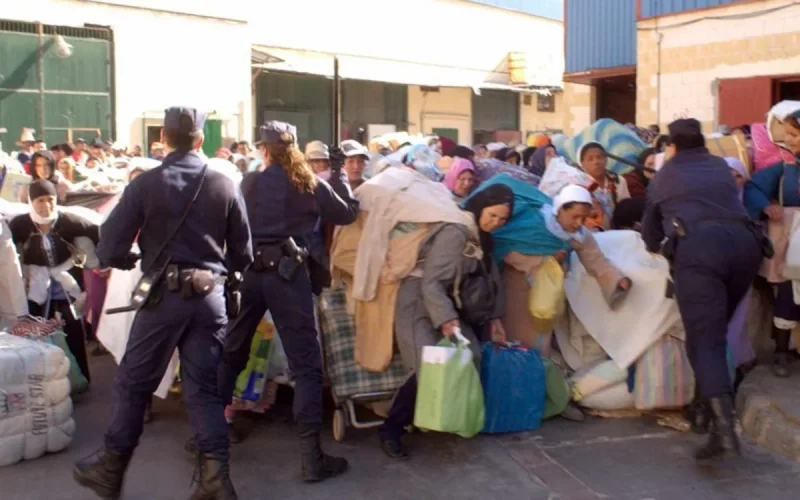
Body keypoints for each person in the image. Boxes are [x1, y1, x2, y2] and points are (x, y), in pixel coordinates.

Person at [73, 106, 253, 500]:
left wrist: (126, 259)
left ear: (165, 140)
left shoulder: (146, 184)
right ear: (200, 139)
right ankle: (215, 480)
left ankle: (111, 468)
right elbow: (243, 254)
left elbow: (110, 244)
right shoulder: (224, 184)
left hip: (163, 297)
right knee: (203, 391)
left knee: (134, 384)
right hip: (210, 299)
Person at [218, 121, 359, 483]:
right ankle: (311, 458)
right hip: (288, 275)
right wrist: (339, 172)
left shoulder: (249, 181)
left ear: (264, 149)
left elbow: (230, 227)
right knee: (307, 366)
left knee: (233, 351)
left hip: (251, 273)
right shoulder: (309, 182)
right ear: (294, 148)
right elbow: (347, 213)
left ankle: (208, 437)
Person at [642, 118, 763, 460]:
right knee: (713, 333)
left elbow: (650, 237)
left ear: (673, 146)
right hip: (747, 246)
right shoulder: (720, 167)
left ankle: (724, 432)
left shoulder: (665, 175)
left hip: (700, 251)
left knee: (705, 339)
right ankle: (704, 409)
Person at [378, 184, 512, 460]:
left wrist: (496, 317)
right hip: (418, 302)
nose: (495, 222)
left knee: (469, 356)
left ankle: (442, 417)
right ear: (480, 206)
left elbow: (490, 278)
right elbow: (431, 283)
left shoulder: (482, 237)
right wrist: (446, 320)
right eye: (492, 215)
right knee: (427, 365)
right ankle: (391, 429)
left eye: (502, 219)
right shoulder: (457, 232)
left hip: (449, 304)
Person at [9, 179, 97, 384]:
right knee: (38, 334)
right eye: (40, 200)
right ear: (31, 202)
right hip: (36, 286)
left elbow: (98, 233)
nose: (46, 205)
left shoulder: (68, 221)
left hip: (66, 285)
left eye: (50, 199)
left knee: (73, 330)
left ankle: (80, 380)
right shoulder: (20, 224)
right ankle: (44, 383)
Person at [744, 109, 800, 378]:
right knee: (789, 291)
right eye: (788, 134)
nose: (789, 140)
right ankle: (781, 352)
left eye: (794, 134)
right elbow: (752, 188)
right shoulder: (783, 170)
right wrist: (766, 206)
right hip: (791, 243)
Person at [579, 142, 631, 223]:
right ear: (582, 164)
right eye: (590, 159)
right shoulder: (580, 184)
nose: (596, 162)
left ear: (606, 160)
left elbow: (627, 207)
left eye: (599, 157)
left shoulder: (619, 181)